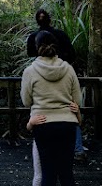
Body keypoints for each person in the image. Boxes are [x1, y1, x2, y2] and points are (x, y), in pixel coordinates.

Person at [21, 30, 82, 186]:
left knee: (47, 174)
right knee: (66, 174)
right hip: (67, 124)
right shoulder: (68, 69)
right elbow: (77, 100)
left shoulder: (30, 71)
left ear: (36, 47)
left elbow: (26, 101)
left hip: (43, 123)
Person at [26, 9, 86, 162]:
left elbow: (27, 100)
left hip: (40, 80)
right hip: (63, 77)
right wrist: (62, 66)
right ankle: (77, 149)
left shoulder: (33, 38)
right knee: (70, 108)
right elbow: (72, 54)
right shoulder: (60, 36)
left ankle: (43, 152)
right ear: (50, 19)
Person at [26, 104, 80, 186]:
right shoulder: (39, 105)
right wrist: (31, 122)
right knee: (41, 174)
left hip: (51, 140)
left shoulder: (63, 105)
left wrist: (77, 111)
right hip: (41, 141)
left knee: (52, 175)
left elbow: (78, 121)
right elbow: (29, 126)